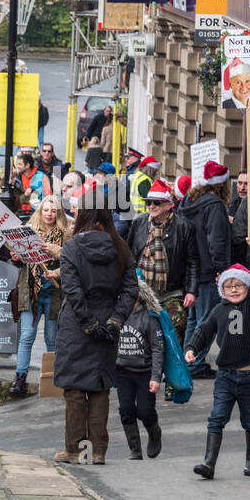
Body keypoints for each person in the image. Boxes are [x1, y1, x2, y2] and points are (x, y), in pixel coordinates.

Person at [53, 203, 139, 464]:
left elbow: (72, 290)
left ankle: (76, 450)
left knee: (75, 388)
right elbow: (131, 289)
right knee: (100, 387)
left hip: (76, 325)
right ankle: (97, 451)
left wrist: (88, 322)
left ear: (84, 216)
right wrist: (115, 320)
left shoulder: (72, 247)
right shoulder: (120, 246)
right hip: (108, 320)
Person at [187, 238, 250, 478]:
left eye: (239, 286)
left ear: (247, 288)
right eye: (228, 286)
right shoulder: (219, 309)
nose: (233, 290)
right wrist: (192, 347)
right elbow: (204, 330)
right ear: (222, 289)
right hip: (225, 376)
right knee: (217, 418)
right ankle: (209, 463)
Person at [127, 178, 198, 351]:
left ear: (168, 205)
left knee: (173, 333)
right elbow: (128, 255)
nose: (151, 206)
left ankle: (171, 375)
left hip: (171, 292)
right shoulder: (139, 222)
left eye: (156, 203)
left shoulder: (184, 226)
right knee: (140, 336)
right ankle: (147, 373)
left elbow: (193, 261)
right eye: (149, 202)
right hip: (141, 291)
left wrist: (191, 291)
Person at [9, 196, 69, 396]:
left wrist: (57, 271)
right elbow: (21, 262)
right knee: (27, 336)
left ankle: (53, 380)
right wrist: (17, 258)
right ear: (40, 211)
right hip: (31, 292)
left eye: (53, 211)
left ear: (58, 213)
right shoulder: (29, 232)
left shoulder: (65, 234)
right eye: (46, 210)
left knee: (52, 339)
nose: (49, 214)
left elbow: (70, 261)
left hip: (53, 293)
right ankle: (20, 379)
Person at [179, 162, 232, 378]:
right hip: (207, 271)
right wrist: (222, 269)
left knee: (193, 320)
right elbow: (216, 241)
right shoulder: (215, 206)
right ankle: (195, 364)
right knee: (206, 320)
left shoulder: (187, 202)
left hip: (188, 271)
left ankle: (189, 361)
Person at [115, 279, 165, 460]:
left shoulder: (149, 317)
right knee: (126, 409)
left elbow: (158, 348)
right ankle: (135, 449)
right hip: (123, 371)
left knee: (145, 411)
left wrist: (156, 376)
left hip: (145, 372)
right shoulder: (116, 314)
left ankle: (154, 433)